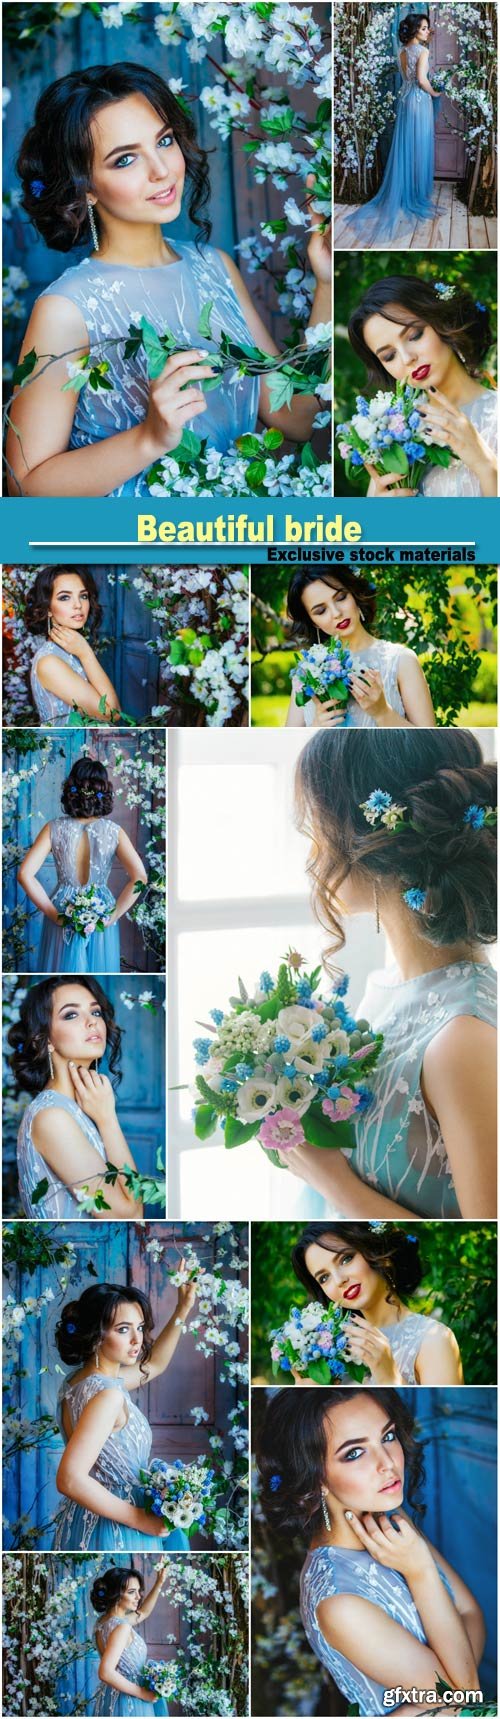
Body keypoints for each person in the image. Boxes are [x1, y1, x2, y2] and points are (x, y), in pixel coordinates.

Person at [7, 62, 331, 498]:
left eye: (164, 141)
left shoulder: (214, 267)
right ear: (86, 187)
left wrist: (327, 283)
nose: (161, 170)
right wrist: (149, 438)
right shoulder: (66, 308)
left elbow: (300, 418)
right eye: (125, 159)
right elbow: (26, 487)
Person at [271, 728, 497, 1218]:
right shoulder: (385, 983)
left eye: (318, 828)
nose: (312, 859)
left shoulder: (465, 1041)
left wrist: (332, 1181)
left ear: (374, 842)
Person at [258, 1388, 485, 1716]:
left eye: (388, 1436)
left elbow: (472, 1616)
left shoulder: (390, 1519)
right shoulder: (339, 1602)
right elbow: (465, 1696)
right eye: (354, 1453)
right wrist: (419, 1570)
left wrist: (455, 1685)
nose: (388, 1463)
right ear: (316, 1477)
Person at [53, 1278, 197, 1552]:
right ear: (96, 1335)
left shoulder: (77, 1384)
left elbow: (154, 1364)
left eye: (140, 1327)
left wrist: (182, 1308)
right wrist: (140, 1519)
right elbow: (69, 1478)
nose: (137, 1339)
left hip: (84, 1519)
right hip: (120, 1524)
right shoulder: (108, 1395)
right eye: (123, 1329)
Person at [343, 275, 497, 498]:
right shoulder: (394, 435)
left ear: (441, 321)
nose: (407, 358)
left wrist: (487, 466)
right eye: (389, 356)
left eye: (415, 335)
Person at [9, 976, 145, 1220]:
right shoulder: (52, 1118)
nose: (92, 1022)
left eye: (96, 1012)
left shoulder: (77, 1107)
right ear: (46, 1040)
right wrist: (108, 1120)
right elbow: (130, 1214)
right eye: (71, 1014)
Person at [16, 757, 147, 973]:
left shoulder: (53, 828)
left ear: (71, 790)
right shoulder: (114, 831)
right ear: (103, 792)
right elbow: (140, 877)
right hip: (101, 910)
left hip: (62, 908)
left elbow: (24, 874)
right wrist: (112, 915)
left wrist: (52, 913)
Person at [289, 1222, 463, 1384]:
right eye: (324, 1277)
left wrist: (390, 1378)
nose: (339, 1280)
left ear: (374, 1249)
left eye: (346, 1259)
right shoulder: (332, 1351)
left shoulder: (434, 1339)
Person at [285, 569, 436, 728]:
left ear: (354, 594)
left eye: (341, 598)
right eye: (321, 611)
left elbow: (430, 744)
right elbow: (286, 749)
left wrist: (383, 712)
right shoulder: (306, 672)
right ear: (313, 621)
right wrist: (316, 728)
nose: (336, 613)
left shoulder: (402, 661)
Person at [341, 13, 439, 246]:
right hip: (418, 99)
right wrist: (435, 93)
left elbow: (407, 77)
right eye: (424, 28)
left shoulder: (402, 51)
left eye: (427, 28)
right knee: (419, 145)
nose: (427, 31)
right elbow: (421, 80)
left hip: (404, 100)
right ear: (415, 30)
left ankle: (407, 189)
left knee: (407, 145)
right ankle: (415, 194)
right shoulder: (423, 52)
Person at [25, 568, 121, 725]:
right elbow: (112, 714)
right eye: (64, 597)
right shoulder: (50, 662)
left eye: (83, 596)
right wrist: (86, 654)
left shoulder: (71, 648)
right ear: (48, 608)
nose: (78, 605)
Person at [91, 1564, 170, 1715]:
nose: (138, 1597)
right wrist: (142, 1693)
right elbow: (105, 1672)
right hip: (129, 1702)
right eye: (132, 1592)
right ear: (116, 1594)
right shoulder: (122, 1627)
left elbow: (143, 1613)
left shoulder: (103, 1622)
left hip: (110, 1697)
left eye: (138, 1591)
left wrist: (159, 1583)